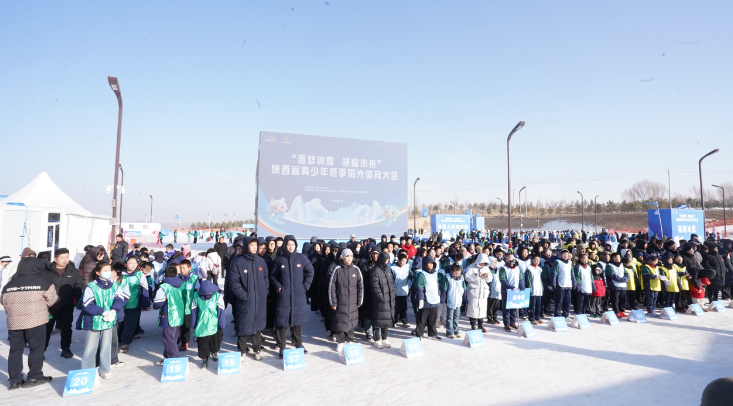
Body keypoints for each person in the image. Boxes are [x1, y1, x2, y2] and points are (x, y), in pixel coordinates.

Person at [2, 257, 58, 389]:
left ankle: (15, 379)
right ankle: (34, 376)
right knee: (36, 348)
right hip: (36, 320)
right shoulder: (44, 282)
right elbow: (52, 300)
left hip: (14, 322)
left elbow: (3, 302)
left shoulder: (9, 285)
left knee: (15, 350)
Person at [77, 262, 127, 381]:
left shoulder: (114, 284)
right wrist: (103, 312)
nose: (108, 272)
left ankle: (105, 369)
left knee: (106, 346)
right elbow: (87, 304)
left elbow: (120, 299)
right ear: (98, 273)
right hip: (93, 320)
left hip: (109, 320)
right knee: (90, 347)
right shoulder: (91, 286)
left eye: (109, 270)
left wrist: (114, 310)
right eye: (105, 270)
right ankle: (88, 370)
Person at [270, 235, 314, 359]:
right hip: (283, 296)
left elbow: (311, 271)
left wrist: (305, 286)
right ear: (285, 245)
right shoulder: (279, 260)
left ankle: (298, 344)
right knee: (282, 321)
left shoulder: (301, 258)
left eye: (292, 244)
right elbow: (273, 275)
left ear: (296, 245)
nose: (290, 247)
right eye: (288, 244)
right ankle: (282, 347)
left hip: (298, 295)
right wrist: (278, 286)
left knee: (297, 321)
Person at [230, 237, 269, 360]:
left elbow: (266, 278)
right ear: (247, 246)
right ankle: (242, 350)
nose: (254, 247)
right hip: (245, 301)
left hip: (259, 300)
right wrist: (244, 296)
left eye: (255, 245)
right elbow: (234, 282)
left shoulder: (261, 261)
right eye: (252, 245)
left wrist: (264, 291)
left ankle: (257, 349)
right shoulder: (238, 262)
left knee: (257, 326)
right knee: (243, 326)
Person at [43, 248, 83, 359]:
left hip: (66, 306)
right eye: (62, 258)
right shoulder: (46, 272)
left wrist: (73, 295)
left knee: (66, 328)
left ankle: (66, 349)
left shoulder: (73, 271)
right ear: (55, 259)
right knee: (46, 329)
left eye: (67, 257)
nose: (65, 260)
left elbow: (78, 285)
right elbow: (41, 286)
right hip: (49, 307)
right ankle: (41, 351)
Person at [328, 248, 363, 352]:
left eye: (351, 256)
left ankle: (350, 340)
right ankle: (340, 342)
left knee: (351, 321)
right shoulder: (337, 269)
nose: (349, 258)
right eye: (347, 256)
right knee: (340, 322)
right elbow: (331, 287)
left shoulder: (356, 269)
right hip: (340, 302)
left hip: (353, 302)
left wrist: (359, 301)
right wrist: (333, 302)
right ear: (342, 257)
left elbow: (361, 287)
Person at [153, 266, 185, 365]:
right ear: (176, 274)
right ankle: (167, 356)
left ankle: (174, 359)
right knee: (174, 337)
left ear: (165, 276)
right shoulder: (181, 284)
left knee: (168, 339)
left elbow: (158, 303)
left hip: (168, 315)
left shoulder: (164, 287)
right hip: (179, 314)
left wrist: (154, 305)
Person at [117, 256, 149, 353]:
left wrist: (145, 303)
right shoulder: (120, 274)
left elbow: (145, 289)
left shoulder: (139, 274)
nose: (133, 265)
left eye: (135, 263)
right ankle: (117, 340)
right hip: (120, 303)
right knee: (120, 323)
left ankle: (125, 342)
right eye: (131, 263)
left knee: (130, 324)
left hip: (134, 303)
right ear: (125, 264)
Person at [191, 279, 225, 368]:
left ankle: (214, 352)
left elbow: (221, 310)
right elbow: (194, 311)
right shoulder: (196, 296)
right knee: (203, 343)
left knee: (214, 341)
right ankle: (204, 358)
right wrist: (193, 323)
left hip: (213, 324)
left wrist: (221, 323)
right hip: (202, 324)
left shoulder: (217, 296)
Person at [370, 252, 395, 349]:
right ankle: (377, 339)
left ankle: (384, 338)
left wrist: (393, 293)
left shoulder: (388, 269)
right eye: (386, 260)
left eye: (388, 260)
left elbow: (391, 282)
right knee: (378, 320)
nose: (387, 262)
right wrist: (381, 297)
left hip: (389, 299)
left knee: (387, 319)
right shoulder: (375, 270)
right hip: (380, 300)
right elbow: (375, 286)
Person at [412, 256, 441, 340]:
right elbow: (419, 287)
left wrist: (438, 295)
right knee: (422, 319)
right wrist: (421, 299)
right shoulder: (422, 274)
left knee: (433, 318)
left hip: (434, 299)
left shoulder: (435, 274)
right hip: (425, 300)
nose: (431, 265)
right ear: (425, 264)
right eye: (429, 263)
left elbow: (437, 286)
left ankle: (432, 334)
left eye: (432, 263)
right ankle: (419, 334)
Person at [464, 253, 492, 332]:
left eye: (484, 262)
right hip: (474, 291)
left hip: (483, 292)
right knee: (473, 309)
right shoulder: (471, 267)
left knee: (482, 309)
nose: (483, 264)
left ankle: (481, 325)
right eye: (482, 262)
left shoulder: (486, 268)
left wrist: (487, 276)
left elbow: (490, 279)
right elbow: (467, 277)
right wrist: (476, 276)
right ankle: (473, 325)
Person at [177, 259, 199, 352]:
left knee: (186, 325)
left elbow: (198, 291)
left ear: (189, 268)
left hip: (189, 307)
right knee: (178, 325)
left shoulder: (194, 278)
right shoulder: (177, 278)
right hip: (178, 306)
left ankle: (185, 342)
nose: (182, 270)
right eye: (180, 268)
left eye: (184, 268)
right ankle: (177, 339)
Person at [499, 253, 525, 331]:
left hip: (516, 291)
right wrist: (510, 287)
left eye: (514, 258)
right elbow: (503, 280)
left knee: (514, 307)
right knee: (507, 308)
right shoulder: (503, 268)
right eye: (511, 258)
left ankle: (513, 322)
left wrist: (521, 286)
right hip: (507, 291)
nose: (513, 260)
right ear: (507, 260)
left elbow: (520, 278)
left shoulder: (517, 268)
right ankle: (507, 324)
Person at [440, 263, 466, 338]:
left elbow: (464, 288)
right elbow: (444, 289)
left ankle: (456, 331)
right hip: (451, 299)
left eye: (459, 273)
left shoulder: (461, 277)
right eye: (456, 273)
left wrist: (466, 298)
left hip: (458, 300)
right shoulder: (447, 277)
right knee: (450, 317)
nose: (457, 275)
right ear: (452, 271)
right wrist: (443, 299)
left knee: (456, 317)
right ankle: (449, 332)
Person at [550, 249, 575, 322]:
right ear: (560, 255)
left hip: (568, 284)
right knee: (559, 302)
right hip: (560, 284)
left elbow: (572, 274)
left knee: (567, 301)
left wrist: (574, 283)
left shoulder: (570, 263)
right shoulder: (557, 262)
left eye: (566, 254)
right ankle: (557, 315)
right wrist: (553, 283)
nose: (565, 255)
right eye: (563, 254)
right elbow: (553, 273)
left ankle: (566, 315)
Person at [391, 254, 411, 327]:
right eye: (402, 261)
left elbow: (410, 276)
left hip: (404, 291)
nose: (403, 263)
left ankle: (405, 320)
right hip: (396, 291)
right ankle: (394, 320)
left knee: (404, 307)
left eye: (405, 261)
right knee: (395, 307)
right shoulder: (393, 268)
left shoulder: (407, 268)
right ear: (398, 260)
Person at [524, 254, 544, 325]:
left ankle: (537, 317)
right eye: (536, 259)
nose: (537, 261)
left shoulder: (539, 269)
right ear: (532, 260)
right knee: (532, 306)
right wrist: (530, 290)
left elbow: (540, 280)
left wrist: (542, 288)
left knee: (538, 305)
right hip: (532, 290)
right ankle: (531, 318)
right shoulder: (529, 269)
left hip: (538, 290)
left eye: (538, 260)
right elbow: (528, 281)